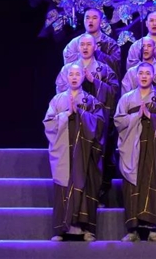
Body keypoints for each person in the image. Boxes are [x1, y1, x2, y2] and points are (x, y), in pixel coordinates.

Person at [115, 62, 156, 242]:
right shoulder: (127, 99)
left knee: (154, 183)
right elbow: (118, 121)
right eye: (140, 73)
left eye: (147, 73)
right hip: (132, 148)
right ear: (136, 76)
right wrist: (136, 117)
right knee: (132, 186)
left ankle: (153, 230)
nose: (143, 76)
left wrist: (151, 117)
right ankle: (132, 230)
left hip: (154, 150)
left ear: (153, 76)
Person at [44, 63, 106, 242]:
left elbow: (100, 124)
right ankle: (60, 229)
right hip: (64, 148)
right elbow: (48, 123)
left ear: (83, 77)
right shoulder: (57, 100)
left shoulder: (91, 101)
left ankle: (86, 229)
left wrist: (80, 114)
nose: (74, 77)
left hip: (84, 151)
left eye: (77, 74)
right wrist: (66, 115)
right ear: (66, 77)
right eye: (71, 74)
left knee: (85, 185)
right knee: (63, 187)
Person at [56, 33, 119, 203]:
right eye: (82, 44)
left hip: (95, 123)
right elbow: (60, 91)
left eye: (88, 44)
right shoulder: (68, 70)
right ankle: (73, 199)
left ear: (95, 47)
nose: (85, 47)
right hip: (73, 121)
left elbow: (114, 92)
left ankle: (97, 196)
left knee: (96, 158)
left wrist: (94, 82)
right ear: (78, 47)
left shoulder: (104, 70)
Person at [62, 8, 122, 80]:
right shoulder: (74, 43)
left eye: (94, 18)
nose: (90, 21)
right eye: (87, 18)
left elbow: (116, 67)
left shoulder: (111, 44)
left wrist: (98, 53)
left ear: (100, 21)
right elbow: (67, 67)